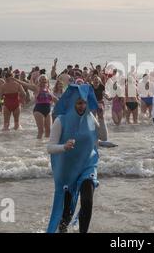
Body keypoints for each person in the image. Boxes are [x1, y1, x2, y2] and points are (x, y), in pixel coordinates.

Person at [46, 84, 99, 233]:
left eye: (84, 102)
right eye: (79, 103)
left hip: (88, 164)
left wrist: (100, 118)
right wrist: (64, 147)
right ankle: (63, 228)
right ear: (72, 103)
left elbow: (101, 137)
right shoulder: (60, 121)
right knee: (66, 215)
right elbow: (50, 147)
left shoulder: (90, 117)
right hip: (67, 171)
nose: (82, 106)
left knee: (87, 201)